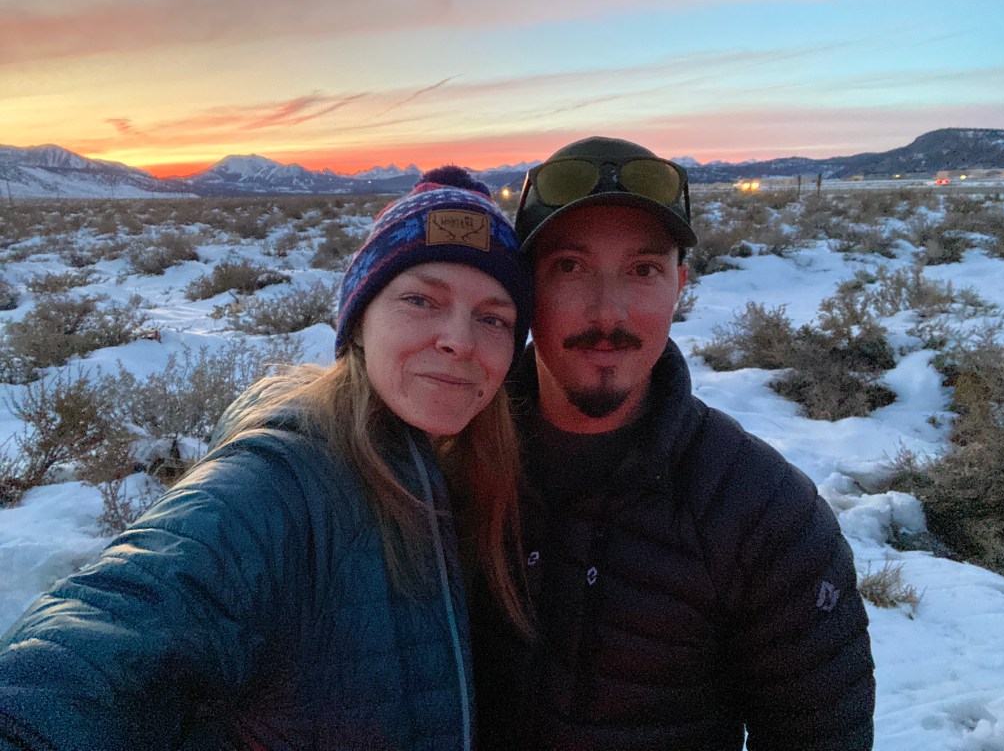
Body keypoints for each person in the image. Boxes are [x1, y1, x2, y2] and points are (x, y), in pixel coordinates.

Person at [0, 167, 533, 750]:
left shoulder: (486, 476)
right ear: (358, 324)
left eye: (493, 318)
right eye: (420, 300)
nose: (460, 340)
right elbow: (90, 647)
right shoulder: (278, 480)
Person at [472, 137, 875, 750]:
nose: (608, 314)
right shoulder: (441, 470)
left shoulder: (764, 514)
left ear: (679, 285)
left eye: (643, 270)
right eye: (570, 267)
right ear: (525, 290)